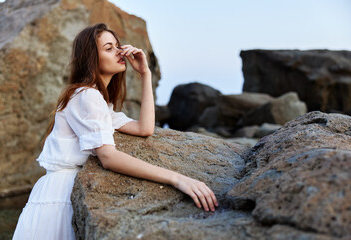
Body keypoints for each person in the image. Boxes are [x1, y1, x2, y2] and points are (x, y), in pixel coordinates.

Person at [12, 23, 218, 240]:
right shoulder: (87, 96)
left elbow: (144, 128)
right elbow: (108, 157)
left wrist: (145, 74)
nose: (120, 51)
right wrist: (177, 179)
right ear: (92, 58)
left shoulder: (98, 101)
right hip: (60, 196)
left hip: (60, 190)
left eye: (118, 46)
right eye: (109, 48)